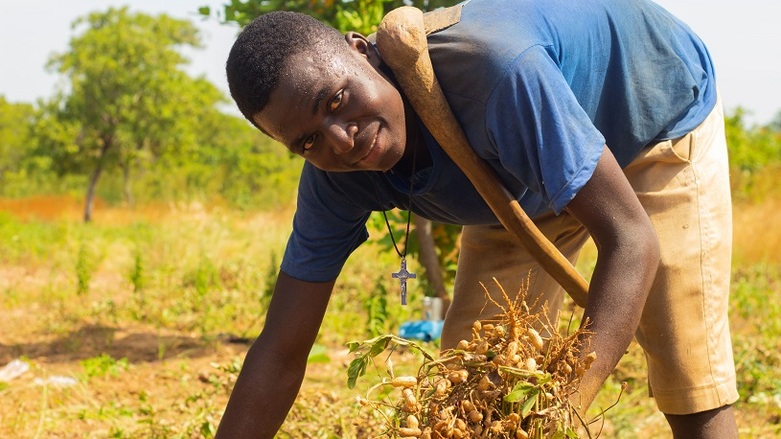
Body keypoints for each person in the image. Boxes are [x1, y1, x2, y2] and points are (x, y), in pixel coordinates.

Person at [216, 0, 738, 437]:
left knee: (684, 361)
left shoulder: (494, 73)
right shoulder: (335, 175)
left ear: (360, 50)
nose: (340, 141)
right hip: (510, 178)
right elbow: (281, 351)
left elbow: (631, 240)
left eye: (337, 100)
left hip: (649, 119)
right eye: (306, 141)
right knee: (474, 386)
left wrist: (561, 403)